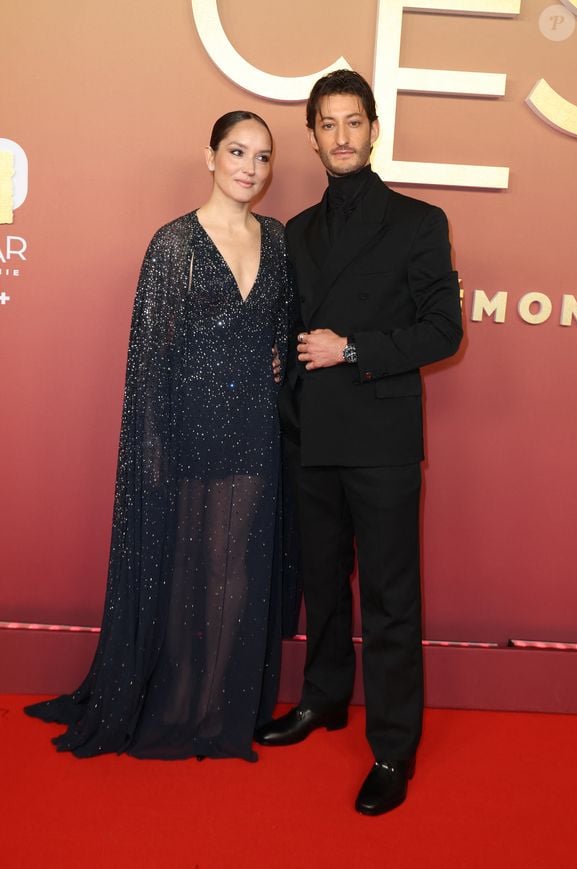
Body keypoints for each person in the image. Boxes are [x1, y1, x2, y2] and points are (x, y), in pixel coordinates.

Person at [25, 110, 297, 762]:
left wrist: (277, 356)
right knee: (183, 567)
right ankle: (176, 702)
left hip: (254, 427)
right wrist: (151, 455)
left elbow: (282, 322)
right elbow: (149, 359)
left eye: (262, 158)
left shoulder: (279, 239)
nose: (249, 169)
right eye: (237, 151)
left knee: (235, 567)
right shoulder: (174, 243)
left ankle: (219, 708)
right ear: (209, 155)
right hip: (186, 427)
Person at [255, 71, 463, 813]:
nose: (341, 136)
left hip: (381, 438)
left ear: (375, 130)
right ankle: (322, 699)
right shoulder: (298, 233)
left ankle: (395, 747)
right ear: (311, 136)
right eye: (327, 124)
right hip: (310, 435)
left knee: (389, 598)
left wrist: (351, 350)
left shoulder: (417, 220)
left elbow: (445, 331)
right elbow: (290, 327)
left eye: (354, 122)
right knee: (321, 584)